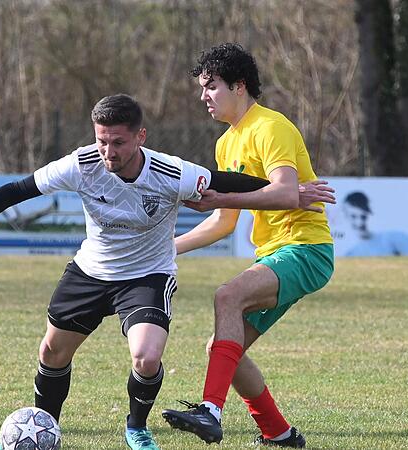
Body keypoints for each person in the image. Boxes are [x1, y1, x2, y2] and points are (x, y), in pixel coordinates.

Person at [0, 94, 333, 450]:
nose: (108, 151)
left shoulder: (172, 173)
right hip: (91, 271)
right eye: (102, 140)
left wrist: (293, 193)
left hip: (147, 276)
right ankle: (43, 427)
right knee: (51, 352)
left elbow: (231, 181)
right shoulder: (81, 164)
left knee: (146, 356)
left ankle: (136, 428)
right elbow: (18, 190)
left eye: (118, 142)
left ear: (140, 137)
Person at [160, 43, 335, 448]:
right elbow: (223, 222)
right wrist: (169, 247)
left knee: (227, 297)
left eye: (212, 86)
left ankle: (210, 411)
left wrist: (225, 197)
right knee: (224, 347)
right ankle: (279, 434)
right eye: (203, 88)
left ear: (239, 86)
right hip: (275, 253)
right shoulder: (225, 144)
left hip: (305, 248)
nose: (204, 95)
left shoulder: (270, 127)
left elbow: (286, 192)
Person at [342, 191, 408, 256]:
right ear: (346, 216)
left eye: (363, 217)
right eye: (353, 217)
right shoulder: (352, 254)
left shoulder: (397, 238)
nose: (359, 223)